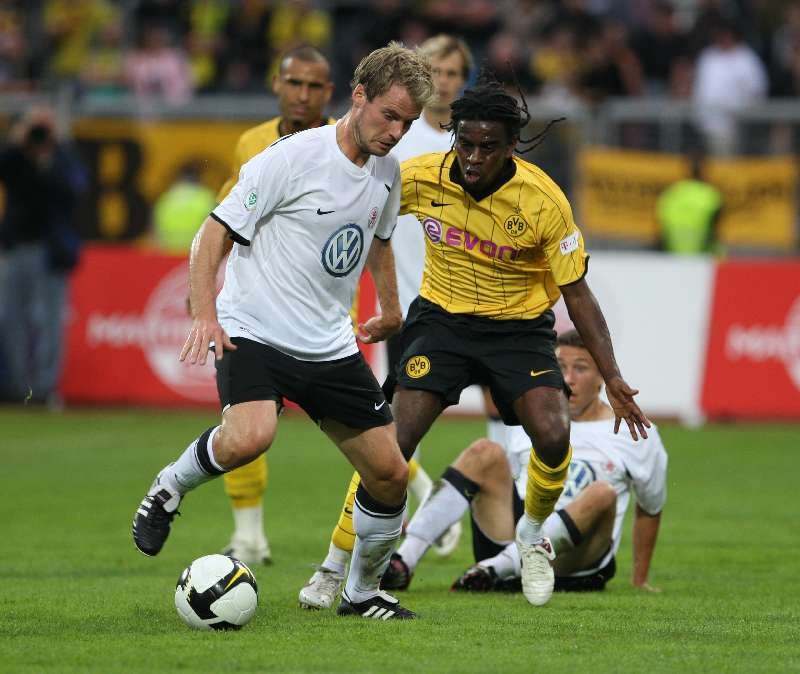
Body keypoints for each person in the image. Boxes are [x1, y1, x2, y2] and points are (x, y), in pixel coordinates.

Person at [303, 72, 650, 610]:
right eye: (464, 143)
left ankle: (531, 535)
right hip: (441, 322)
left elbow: (577, 294)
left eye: (488, 147)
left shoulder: (543, 201)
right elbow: (362, 217)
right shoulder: (421, 176)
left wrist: (613, 377)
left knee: (553, 436)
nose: (473, 157)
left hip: (518, 330)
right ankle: (334, 565)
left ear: (511, 146)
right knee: (390, 446)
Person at [131, 42, 435, 621]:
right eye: (390, 115)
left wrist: (392, 307)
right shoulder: (291, 158)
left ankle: (362, 593)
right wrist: (205, 314)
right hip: (256, 329)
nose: (396, 132)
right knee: (250, 438)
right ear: (359, 96)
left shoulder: (387, 172)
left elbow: (379, 238)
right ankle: (169, 486)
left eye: (408, 122)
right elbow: (212, 233)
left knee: (390, 474)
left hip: (328, 343)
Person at [298, 34, 474, 610]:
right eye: (435, 70)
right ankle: (338, 565)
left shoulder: (475, 144)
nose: (444, 81)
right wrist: (389, 303)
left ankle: (511, 544)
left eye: (454, 72)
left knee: (520, 431)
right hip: (422, 313)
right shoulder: (395, 144)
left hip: (483, 312)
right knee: (388, 440)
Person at [380, 329, 667, 595]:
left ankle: (495, 569)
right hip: (519, 532)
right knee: (484, 451)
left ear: (603, 376)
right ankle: (403, 562)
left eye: (580, 368)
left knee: (602, 493)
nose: (568, 379)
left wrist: (639, 579)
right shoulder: (532, 418)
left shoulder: (634, 432)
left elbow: (650, 507)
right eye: (560, 367)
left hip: (576, 559)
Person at [215, 45, 335, 567]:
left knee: (357, 425)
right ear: (276, 84)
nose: (303, 95)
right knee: (244, 419)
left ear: (330, 92)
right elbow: (226, 215)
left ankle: (417, 498)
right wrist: (203, 283)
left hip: (320, 313)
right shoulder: (251, 142)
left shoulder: (346, 145)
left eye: (313, 86)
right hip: (256, 308)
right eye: (294, 83)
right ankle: (248, 537)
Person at [0, 107, 87, 406]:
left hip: (49, 252)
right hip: (14, 248)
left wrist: (52, 151)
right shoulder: (17, 157)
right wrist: (18, 138)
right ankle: (16, 387)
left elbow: (74, 188)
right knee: (10, 319)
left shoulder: (62, 157)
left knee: (47, 321)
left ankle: (44, 388)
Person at [656, 146, 724, 256]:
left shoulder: (672, 194)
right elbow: (715, 234)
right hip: (701, 257)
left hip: (672, 256)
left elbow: (660, 234)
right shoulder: (710, 196)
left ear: (686, 168)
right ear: (705, 169)